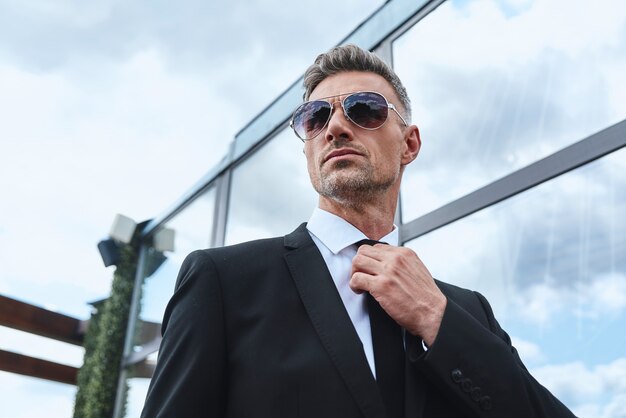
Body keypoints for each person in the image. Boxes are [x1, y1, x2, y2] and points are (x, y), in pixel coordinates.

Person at [141, 44, 576, 418]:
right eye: (315, 117)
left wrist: (435, 318)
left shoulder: (465, 311)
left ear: (409, 144)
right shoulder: (225, 281)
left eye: (363, 109)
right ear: (309, 145)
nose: (335, 127)